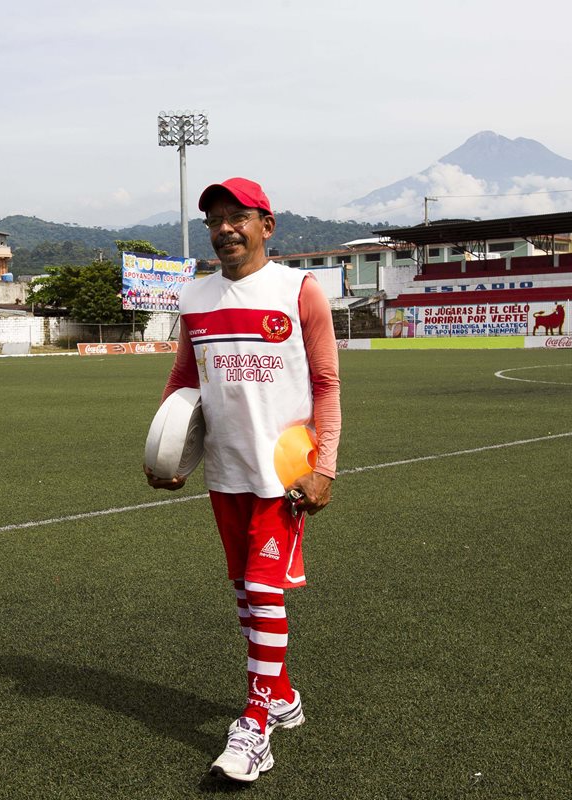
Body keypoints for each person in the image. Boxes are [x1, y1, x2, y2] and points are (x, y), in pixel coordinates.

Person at [144, 177, 341, 782]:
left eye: (237, 217)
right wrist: (169, 454)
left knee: (261, 589)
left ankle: (255, 727)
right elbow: (184, 379)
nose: (225, 229)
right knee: (243, 589)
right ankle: (282, 695)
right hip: (224, 470)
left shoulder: (298, 290)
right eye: (214, 220)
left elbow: (328, 384)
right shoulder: (195, 298)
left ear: (266, 225)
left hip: (283, 470)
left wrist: (324, 466)